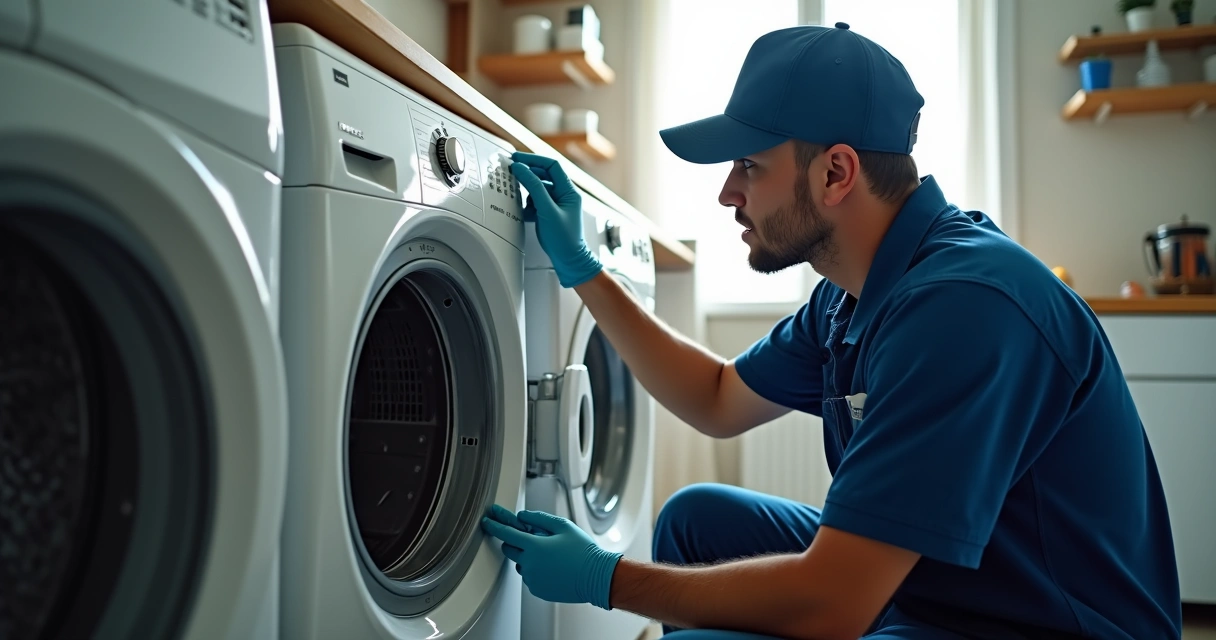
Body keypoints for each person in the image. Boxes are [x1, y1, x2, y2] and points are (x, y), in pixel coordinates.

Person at [481, 22, 1182, 640]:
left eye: (749, 166)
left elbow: (834, 604)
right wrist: (583, 272)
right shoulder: (851, 296)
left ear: (836, 173)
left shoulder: (964, 309)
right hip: (943, 582)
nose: (728, 192)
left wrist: (605, 580)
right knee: (697, 522)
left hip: (1034, 622)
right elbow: (718, 398)